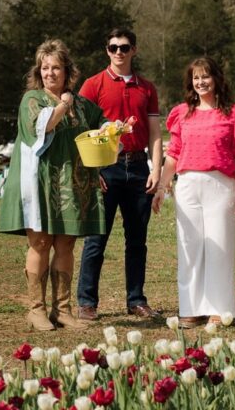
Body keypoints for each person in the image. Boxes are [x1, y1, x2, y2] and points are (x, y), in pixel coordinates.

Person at [0, 39, 106, 331]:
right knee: (41, 241)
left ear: (67, 71)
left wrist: (111, 129)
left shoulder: (81, 104)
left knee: (66, 242)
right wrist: (64, 104)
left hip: (71, 181)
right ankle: (36, 309)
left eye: (56, 67)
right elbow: (42, 127)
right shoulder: (32, 100)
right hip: (39, 180)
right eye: (45, 68)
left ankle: (63, 310)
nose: (50, 73)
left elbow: (101, 122)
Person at [153, 56, 235, 326]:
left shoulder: (234, 113)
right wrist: (162, 186)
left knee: (219, 246)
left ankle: (220, 309)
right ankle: (191, 308)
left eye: (205, 76)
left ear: (217, 79)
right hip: (187, 187)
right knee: (189, 247)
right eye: (196, 78)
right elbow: (173, 154)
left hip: (221, 185)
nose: (201, 82)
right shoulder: (181, 113)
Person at [76, 27, 163, 320]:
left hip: (139, 168)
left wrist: (157, 168)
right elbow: (79, 130)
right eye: (113, 47)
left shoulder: (147, 88)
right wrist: (91, 171)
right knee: (96, 239)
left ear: (134, 50)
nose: (118, 53)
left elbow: (154, 132)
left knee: (137, 239)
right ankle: (87, 302)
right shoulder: (92, 85)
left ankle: (136, 299)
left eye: (124, 47)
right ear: (107, 50)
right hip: (105, 168)